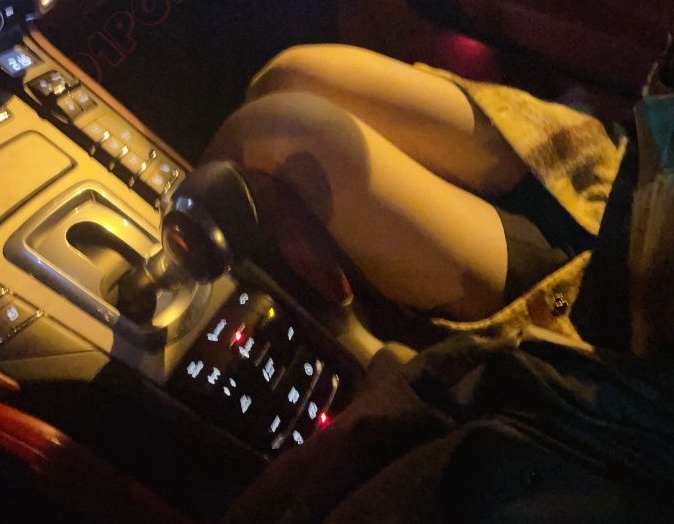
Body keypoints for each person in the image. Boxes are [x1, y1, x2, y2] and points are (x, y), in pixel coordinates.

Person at [205, 44, 626, 342]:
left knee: (281, 132)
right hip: (612, 181)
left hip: (606, 289)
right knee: (289, 74)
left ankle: (194, 274)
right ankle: (208, 256)